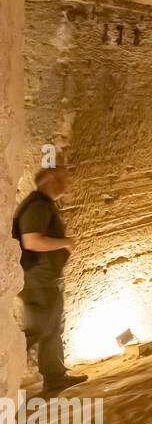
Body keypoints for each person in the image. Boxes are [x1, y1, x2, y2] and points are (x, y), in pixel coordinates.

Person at [12, 168, 85, 392]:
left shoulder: (41, 204)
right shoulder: (38, 206)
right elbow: (32, 241)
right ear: (51, 181)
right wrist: (64, 243)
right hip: (38, 279)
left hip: (43, 278)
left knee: (50, 328)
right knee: (36, 331)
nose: (68, 183)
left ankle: (55, 378)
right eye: (64, 179)